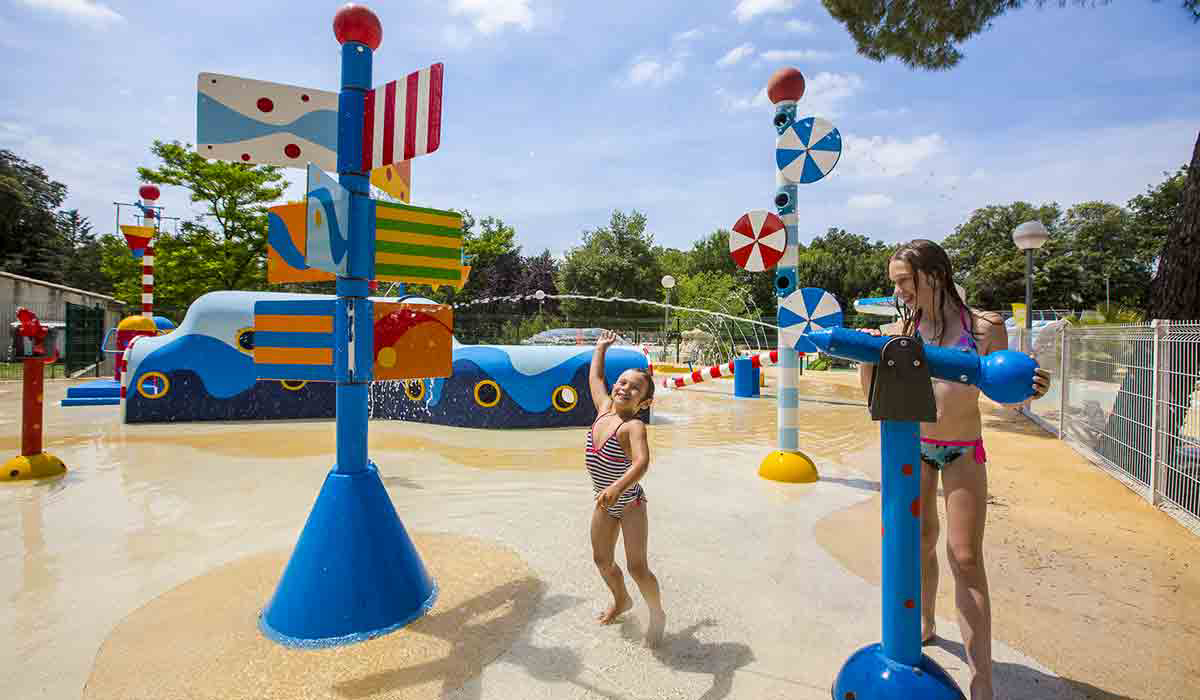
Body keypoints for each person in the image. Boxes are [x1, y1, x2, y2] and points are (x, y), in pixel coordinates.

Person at [858, 239, 1051, 700]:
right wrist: (872, 357)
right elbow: (874, 398)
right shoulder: (903, 329)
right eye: (895, 283)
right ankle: (924, 622)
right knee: (919, 542)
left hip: (963, 449)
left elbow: (1005, 388)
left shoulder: (985, 328)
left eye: (904, 280)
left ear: (935, 275)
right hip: (915, 449)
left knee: (965, 557)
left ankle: (982, 679)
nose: (899, 290)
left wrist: (1032, 386)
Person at [586, 329, 666, 647]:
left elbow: (642, 463)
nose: (624, 388)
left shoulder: (633, 426)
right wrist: (600, 348)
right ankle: (621, 600)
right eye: (622, 382)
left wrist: (618, 488)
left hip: (630, 503)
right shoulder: (603, 408)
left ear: (644, 402)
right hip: (605, 503)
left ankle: (657, 613)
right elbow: (595, 376)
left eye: (634, 388)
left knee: (637, 566)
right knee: (602, 560)